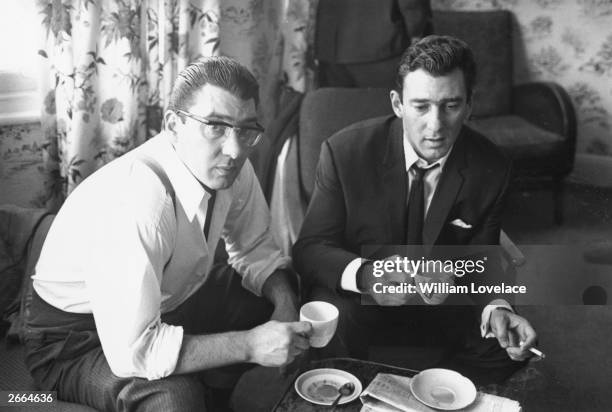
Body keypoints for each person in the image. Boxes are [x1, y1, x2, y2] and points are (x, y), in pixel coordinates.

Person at [24, 57, 312, 411]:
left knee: (271, 296)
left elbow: (254, 249)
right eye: (216, 126)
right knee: (176, 399)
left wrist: (285, 307)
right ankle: (201, 390)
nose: (235, 150)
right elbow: (135, 350)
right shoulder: (139, 202)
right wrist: (250, 344)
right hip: (74, 343)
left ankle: (220, 395)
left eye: (246, 129)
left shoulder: (231, 167)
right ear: (174, 125)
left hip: (167, 302)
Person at [293, 36, 538, 385]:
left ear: (470, 105)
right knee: (332, 327)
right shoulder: (344, 152)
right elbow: (310, 248)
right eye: (421, 106)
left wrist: (497, 306)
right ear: (397, 103)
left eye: (451, 105)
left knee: (506, 346)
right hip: (362, 301)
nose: (435, 125)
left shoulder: (493, 166)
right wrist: (365, 276)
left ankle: (421, 396)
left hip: (440, 302)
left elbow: (483, 260)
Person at [315, 0, 432, 88]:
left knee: (335, 113)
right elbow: (412, 6)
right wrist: (416, 32)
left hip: (330, 47)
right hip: (381, 47)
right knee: (385, 112)